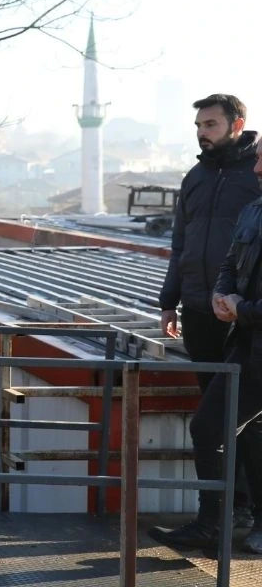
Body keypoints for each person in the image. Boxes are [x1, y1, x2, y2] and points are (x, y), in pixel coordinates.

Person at [154, 93, 262, 546]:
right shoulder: (195, 177)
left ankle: (241, 514)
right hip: (201, 309)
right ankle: (227, 511)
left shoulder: (252, 180)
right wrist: (169, 300)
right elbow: (181, 243)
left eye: (211, 124)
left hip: (245, 320)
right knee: (215, 417)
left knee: (246, 421)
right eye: (199, 124)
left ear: (237, 125)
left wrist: (236, 302)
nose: (202, 132)